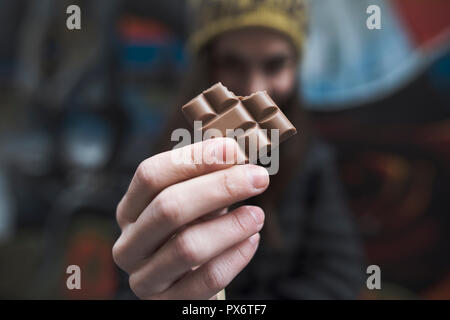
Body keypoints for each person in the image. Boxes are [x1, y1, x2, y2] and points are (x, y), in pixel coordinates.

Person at [112, 0, 365, 299]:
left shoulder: (313, 161)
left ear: (296, 67)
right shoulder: (154, 160)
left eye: (274, 64)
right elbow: (126, 286)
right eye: (232, 63)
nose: (254, 88)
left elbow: (342, 275)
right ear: (205, 66)